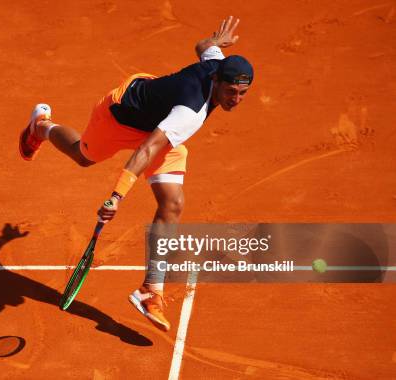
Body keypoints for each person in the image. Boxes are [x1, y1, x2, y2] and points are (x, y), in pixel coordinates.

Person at [19, 16, 253, 332]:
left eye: (242, 93)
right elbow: (145, 150)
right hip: (120, 116)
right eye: (230, 92)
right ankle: (42, 126)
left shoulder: (216, 65)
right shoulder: (190, 112)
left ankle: (149, 291)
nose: (235, 100)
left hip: (157, 123)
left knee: (173, 204)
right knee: (83, 156)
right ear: (216, 82)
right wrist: (116, 197)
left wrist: (216, 42)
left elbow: (203, 47)